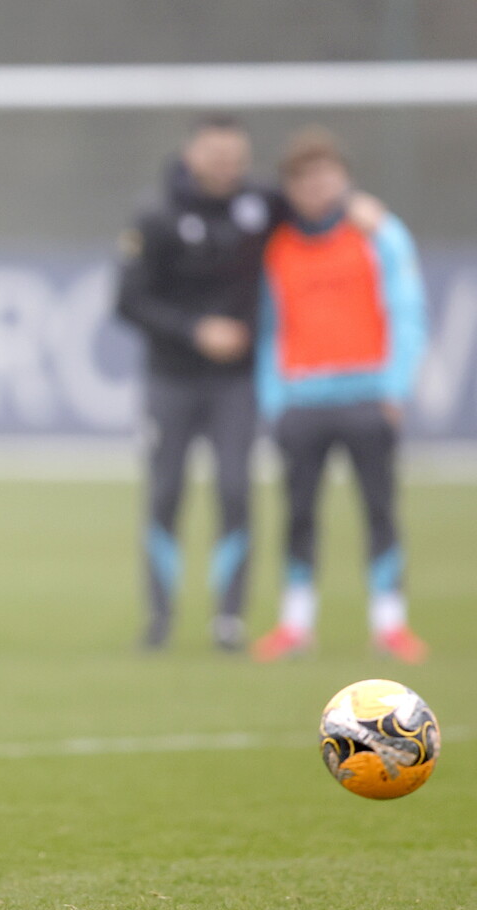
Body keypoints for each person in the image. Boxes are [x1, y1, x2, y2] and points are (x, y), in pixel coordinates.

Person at [251, 127, 427, 664]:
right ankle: (297, 623)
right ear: (290, 186)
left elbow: (408, 311)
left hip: (367, 394)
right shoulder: (276, 246)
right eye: (304, 178)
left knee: (379, 510)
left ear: (345, 179)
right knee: (299, 514)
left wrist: (395, 388)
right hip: (302, 399)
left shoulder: (380, 236)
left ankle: (390, 624)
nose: (317, 187)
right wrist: (274, 401)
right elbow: (268, 329)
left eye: (327, 175)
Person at [116, 115, 282, 652]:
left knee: (235, 491)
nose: (227, 168)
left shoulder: (263, 206)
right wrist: (194, 331)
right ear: (192, 154)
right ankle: (159, 620)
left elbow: (316, 219)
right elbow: (129, 301)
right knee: (166, 494)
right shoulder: (155, 214)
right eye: (216, 156)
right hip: (172, 380)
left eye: (236, 158)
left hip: (236, 383)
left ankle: (229, 620)